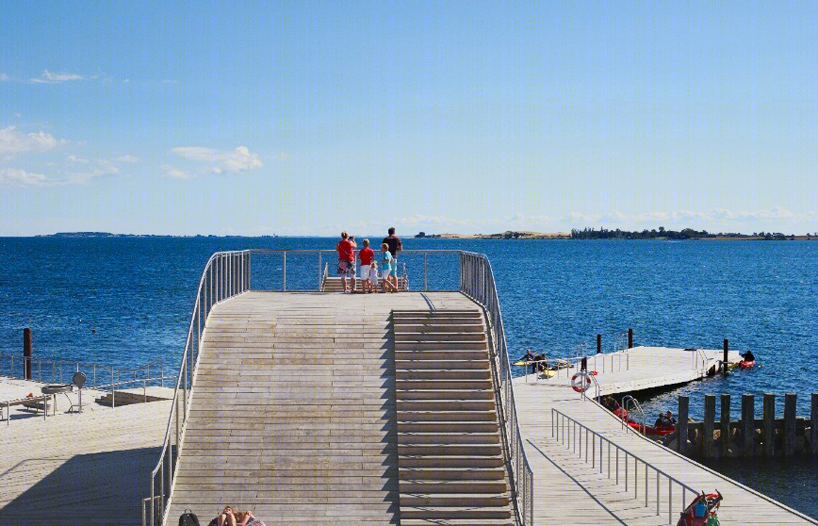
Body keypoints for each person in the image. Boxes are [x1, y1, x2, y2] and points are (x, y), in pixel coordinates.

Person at [381, 227, 402, 291]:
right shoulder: (397, 239)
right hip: (394, 256)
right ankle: (396, 287)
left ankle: (390, 288)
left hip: (386, 257)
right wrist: (396, 249)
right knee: (394, 274)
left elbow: (383, 248)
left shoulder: (385, 239)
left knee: (387, 274)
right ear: (394, 232)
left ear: (388, 232)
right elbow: (400, 249)